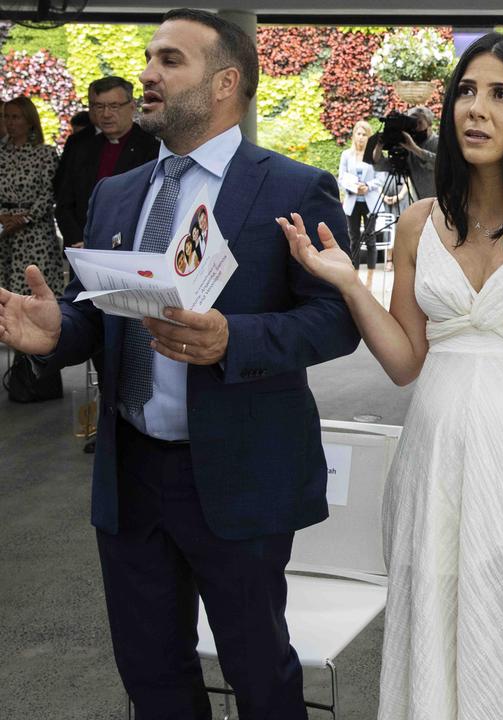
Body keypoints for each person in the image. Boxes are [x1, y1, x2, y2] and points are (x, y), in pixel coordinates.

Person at [0, 11, 361, 718]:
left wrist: (235, 339)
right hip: (131, 473)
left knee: (259, 673)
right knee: (151, 672)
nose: (146, 75)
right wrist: (57, 330)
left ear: (225, 82)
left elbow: (336, 319)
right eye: (147, 58)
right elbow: (96, 309)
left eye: (170, 60)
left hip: (238, 476)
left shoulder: (292, 188)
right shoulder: (117, 193)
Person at [278, 32, 503, 719]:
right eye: (467, 92)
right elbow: (403, 363)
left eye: (500, 94)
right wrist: (349, 285)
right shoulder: (420, 222)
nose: (476, 109)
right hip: (437, 468)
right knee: (443, 629)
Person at [54, 76, 160, 249]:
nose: (106, 114)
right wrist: (77, 240)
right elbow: (64, 201)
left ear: (132, 107)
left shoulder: (151, 147)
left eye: (114, 106)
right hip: (83, 248)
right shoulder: (81, 147)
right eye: (99, 106)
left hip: (128, 248)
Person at [0, 97, 61, 296]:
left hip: (35, 233)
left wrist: (25, 218)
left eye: (15, 117)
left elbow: (49, 192)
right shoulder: (2, 153)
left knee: (33, 291)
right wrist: (3, 217)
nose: (10, 122)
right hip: (4, 231)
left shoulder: (45, 153)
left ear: (29, 120)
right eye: (6, 117)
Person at [338, 119, 386, 289]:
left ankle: (370, 280)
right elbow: (341, 177)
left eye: (364, 134)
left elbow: (381, 178)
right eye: (358, 133)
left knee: (370, 239)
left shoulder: (375, 155)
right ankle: (355, 277)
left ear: (368, 137)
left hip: (370, 202)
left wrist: (367, 186)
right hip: (352, 202)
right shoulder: (346, 155)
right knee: (353, 240)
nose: (361, 137)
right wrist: (353, 187)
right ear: (354, 136)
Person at [366, 105, 437, 203]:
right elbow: (383, 166)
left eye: (419, 122)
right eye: (412, 123)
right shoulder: (408, 146)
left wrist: (415, 149)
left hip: (441, 201)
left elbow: (440, 163)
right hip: (420, 203)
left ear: (429, 123)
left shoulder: (439, 142)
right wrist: (379, 146)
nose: (415, 128)